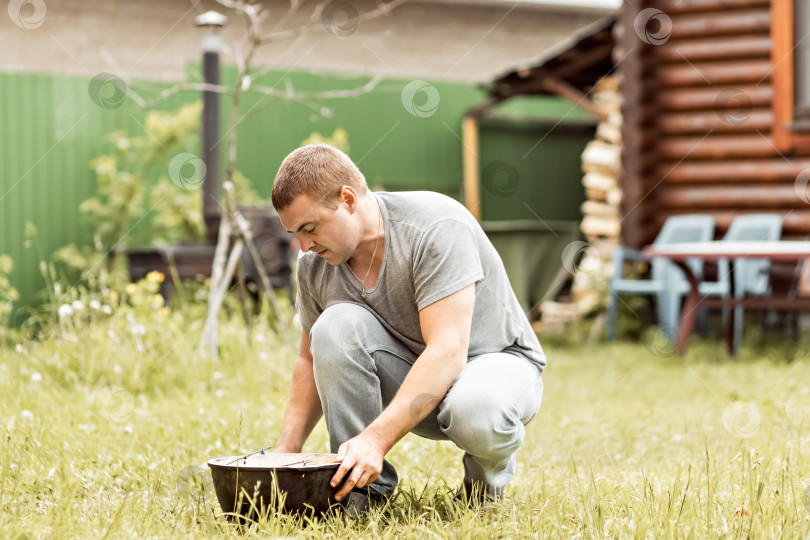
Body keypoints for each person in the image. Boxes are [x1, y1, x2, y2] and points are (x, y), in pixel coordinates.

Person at [270, 144, 545, 509]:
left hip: (493, 367)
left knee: (476, 407)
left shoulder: (434, 226)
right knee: (332, 326)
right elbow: (309, 359)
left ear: (348, 199)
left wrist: (376, 439)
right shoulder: (315, 265)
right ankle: (360, 492)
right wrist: (285, 452)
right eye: (295, 233)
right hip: (415, 383)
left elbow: (447, 352)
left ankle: (483, 491)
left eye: (310, 228)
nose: (304, 246)